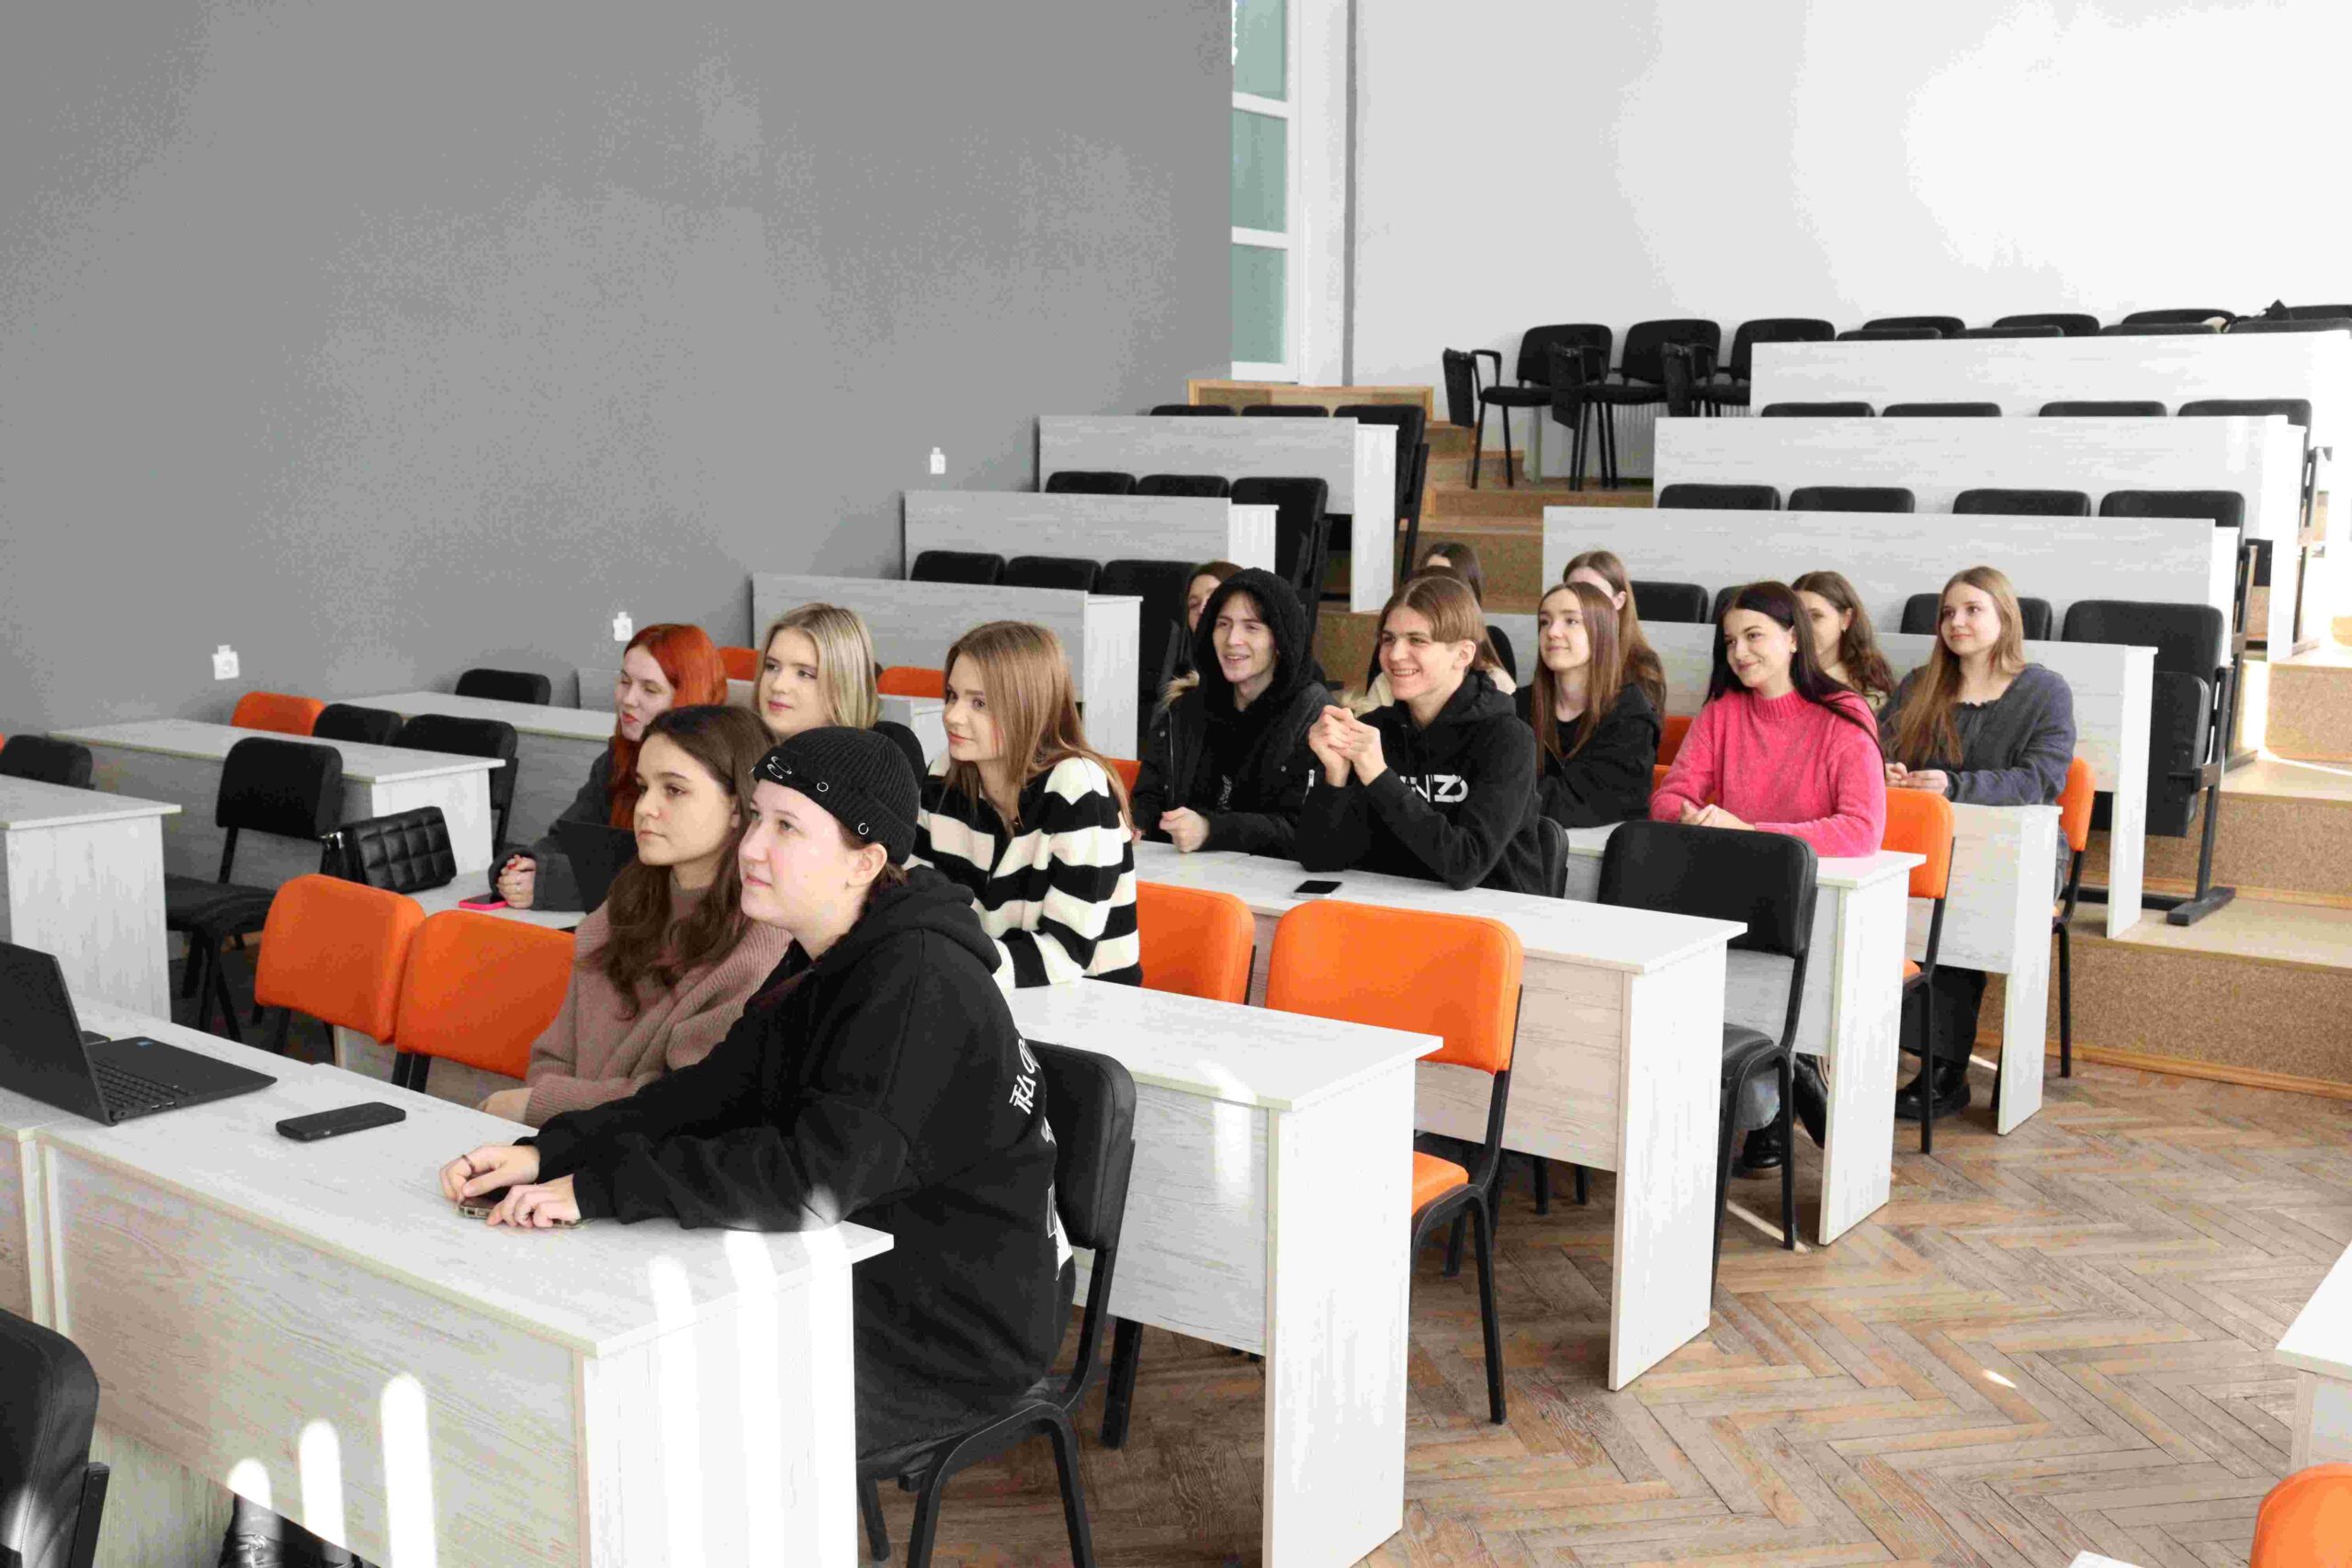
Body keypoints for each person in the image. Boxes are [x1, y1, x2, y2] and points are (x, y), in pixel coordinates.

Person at [437, 728, 1073, 1461]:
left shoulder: (917, 983)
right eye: (757, 817)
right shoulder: (824, 952)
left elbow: (809, 1183)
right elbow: (708, 1094)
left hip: (952, 1330)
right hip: (872, 1263)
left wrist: (597, 1188)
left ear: (864, 861)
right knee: (605, 1332)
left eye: (787, 827)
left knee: (659, 1404)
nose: (751, 848)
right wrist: (551, 1152)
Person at [1650, 581, 1888, 1176]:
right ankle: (1785, 1076)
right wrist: (1694, 815)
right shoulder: (1723, 711)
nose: (1739, 652)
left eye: (1754, 635)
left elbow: (1861, 829)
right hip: (1730, 897)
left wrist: (1752, 831)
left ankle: (1785, 1074)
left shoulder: (1843, 713)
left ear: (1793, 638)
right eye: (1730, 641)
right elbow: (1668, 798)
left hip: (1813, 901)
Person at [479, 705, 791, 1127]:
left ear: (738, 806)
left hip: (653, 1155)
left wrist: (545, 1105)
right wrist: (547, 1114)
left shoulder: (764, 940)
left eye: (674, 790)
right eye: (644, 787)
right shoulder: (624, 904)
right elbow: (554, 1055)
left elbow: (692, 1101)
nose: (645, 808)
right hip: (573, 1139)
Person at [1882, 565, 2077, 1121]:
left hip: (2019, 850)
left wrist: (1953, 786)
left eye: (1972, 610)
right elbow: (1872, 748)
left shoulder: (2044, 690)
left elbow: (2041, 780)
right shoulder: (1920, 685)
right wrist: (1886, 771)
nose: (1956, 622)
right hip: (1931, 841)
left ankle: (1943, 1070)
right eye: (1948, 612)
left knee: (1961, 907)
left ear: (2005, 616)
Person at [913, 621, 1141, 987]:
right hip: (981, 992)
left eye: (979, 703)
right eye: (952, 696)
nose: (952, 716)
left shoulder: (1079, 789)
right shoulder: (943, 777)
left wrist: (950, 965)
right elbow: (917, 907)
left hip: (1088, 1004)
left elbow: (1066, 956)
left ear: (1028, 709)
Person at [1297, 573, 1545, 893]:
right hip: (1391, 907)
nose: (1395, 654)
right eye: (1388, 639)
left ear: (1463, 654)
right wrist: (1335, 777)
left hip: (1490, 915)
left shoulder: (1509, 739)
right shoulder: (1375, 730)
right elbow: (1319, 857)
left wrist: (1380, 777)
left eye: (1417, 640)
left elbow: (1466, 864)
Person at [497, 623, 728, 912]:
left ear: (688, 697)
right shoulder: (616, 760)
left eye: (650, 689)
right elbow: (568, 839)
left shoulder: (713, 772)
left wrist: (549, 883)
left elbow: (668, 879)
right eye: (625, 681)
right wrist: (519, 867)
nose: (628, 700)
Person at [1129, 568, 1327, 857]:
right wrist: (1137, 823)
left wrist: (1211, 830)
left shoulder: (1314, 717)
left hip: (1270, 880)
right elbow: (1151, 795)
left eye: (1252, 627)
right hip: (1186, 874)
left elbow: (1304, 831)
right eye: (1223, 624)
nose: (1232, 639)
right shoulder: (1185, 710)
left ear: (1280, 641)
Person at [1515, 579, 1660, 828]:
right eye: (1545, 621)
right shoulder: (1517, 706)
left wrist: (1504, 794)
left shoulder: (1630, 715)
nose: (1552, 632)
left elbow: (1579, 803)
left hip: (1603, 849)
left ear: (1601, 631)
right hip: (1526, 845)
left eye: (1571, 621)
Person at [753, 602, 927, 784]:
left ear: (843, 683)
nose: (778, 685)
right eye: (772, 666)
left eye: (804, 673)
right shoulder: (747, 748)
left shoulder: (886, 754)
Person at [1561, 548, 1668, 713]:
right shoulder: (1559, 649)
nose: (1582, 602)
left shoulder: (1642, 664)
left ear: (1618, 601)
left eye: (1593, 593)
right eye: (1573, 592)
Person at [1792, 570, 1897, 711]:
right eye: (1796, 617)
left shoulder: (1867, 695)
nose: (1803, 627)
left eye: (1815, 616)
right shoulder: (1776, 678)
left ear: (1846, 620)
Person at [1414, 539, 1516, 681]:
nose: (1434, 590)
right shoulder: (1399, 642)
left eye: (1445, 581)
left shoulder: (1495, 677)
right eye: (1428, 579)